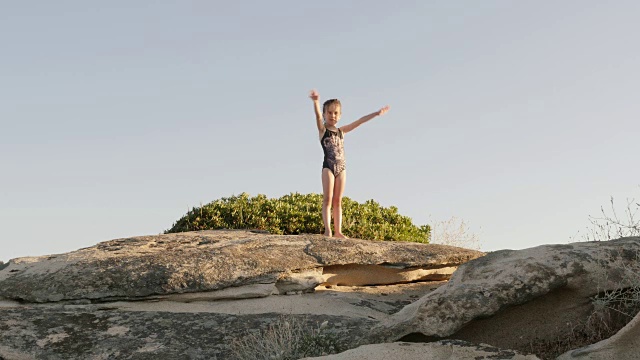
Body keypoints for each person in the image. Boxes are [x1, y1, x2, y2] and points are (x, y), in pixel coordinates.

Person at [309, 89, 390, 238]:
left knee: (338, 200)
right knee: (327, 199)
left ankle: (338, 231)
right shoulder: (322, 130)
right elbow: (317, 116)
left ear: (339, 115)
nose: (332, 116)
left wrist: (376, 114)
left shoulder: (342, 131)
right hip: (328, 167)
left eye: (335, 113)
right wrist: (315, 101)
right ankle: (328, 230)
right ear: (325, 114)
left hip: (342, 168)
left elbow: (359, 122)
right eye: (329, 113)